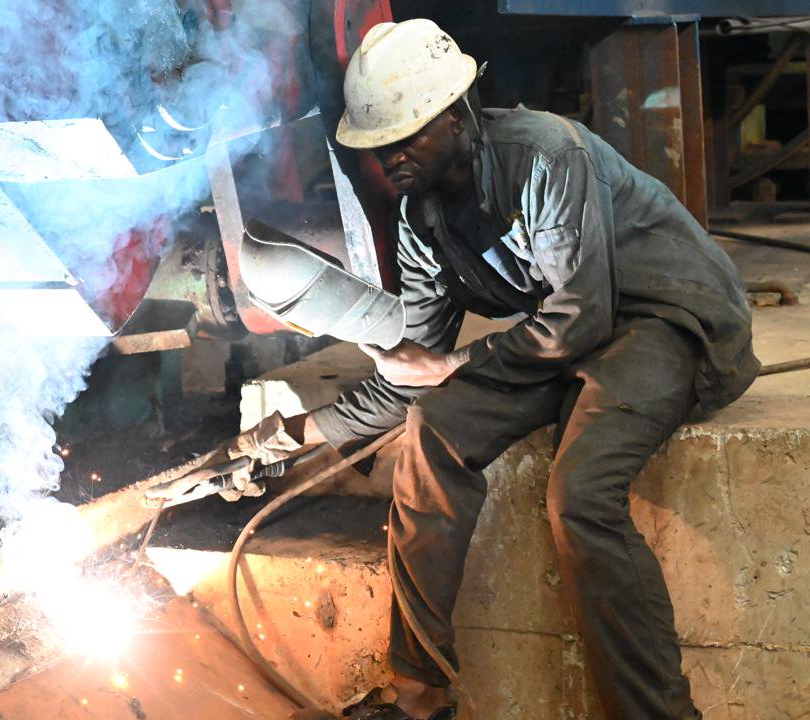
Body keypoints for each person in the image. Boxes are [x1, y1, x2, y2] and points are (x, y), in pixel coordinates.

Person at [230, 18, 759, 720]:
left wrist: (458, 361)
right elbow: (410, 375)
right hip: (570, 332)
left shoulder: (546, 156)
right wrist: (289, 434)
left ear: (455, 115)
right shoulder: (422, 220)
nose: (391, 159)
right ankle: (419, 696)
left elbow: (582, 317)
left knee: (581, 494)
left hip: (662, 318)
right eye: (379, 146)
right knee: (432, 432)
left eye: (405, 136)